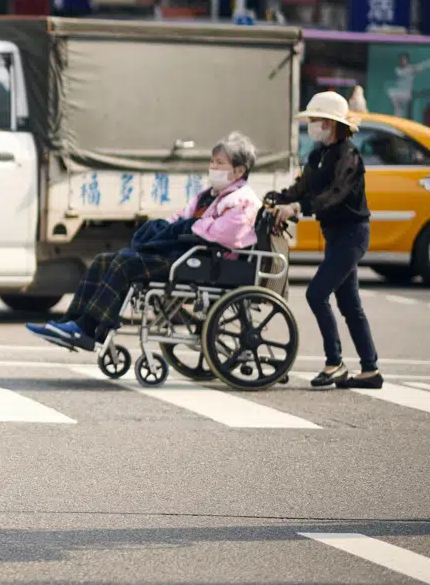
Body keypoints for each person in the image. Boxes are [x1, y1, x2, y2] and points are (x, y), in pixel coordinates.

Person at [27, 132, 262, 350]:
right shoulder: (207, 195)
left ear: (239, 171)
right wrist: (168, 228)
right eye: (212, 162)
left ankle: (90, 329)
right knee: (103, 261)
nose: (213, 167)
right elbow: (181, 218)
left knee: (124, 263)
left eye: (220, 163)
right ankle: (73, 322)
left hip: (206, 261)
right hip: (186, 255)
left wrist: (187, 227)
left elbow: (222, 233)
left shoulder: (243, 201)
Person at [268, 91, 380, 389]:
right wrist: (277, 199)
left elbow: (335, 194)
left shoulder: (349, 156)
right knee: (349, 303)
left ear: (331, 124)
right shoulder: (318, 154)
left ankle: (335, 363)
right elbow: (303, 186)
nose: (311, 125)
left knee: (316, 294)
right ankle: (370, 370)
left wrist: (298, 208)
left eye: (315, 120)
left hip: (353, 234)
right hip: (335, 235)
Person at [387, 53, 430, 119]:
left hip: (406, 95)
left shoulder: (411, 69)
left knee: (392, 94)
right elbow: (399, 74)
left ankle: (400, 115)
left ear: (407, 60)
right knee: (391, 94)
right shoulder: (398, 70)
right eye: (401, 59)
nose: (402, 61)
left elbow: (422, 65)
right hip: (399, 95)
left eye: (404, 59)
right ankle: (399, 116)